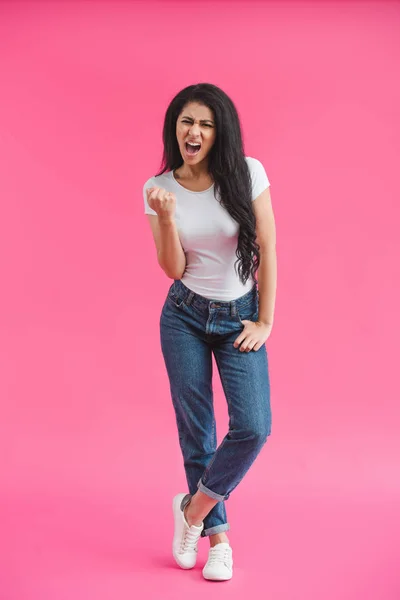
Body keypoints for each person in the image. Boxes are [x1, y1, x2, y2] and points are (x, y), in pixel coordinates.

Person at [142, 83, 277, 581]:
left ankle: (192, 512)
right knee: (197, 432)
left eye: (204, 123)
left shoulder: (247, 173)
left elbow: (269, 245)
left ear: (219, 132)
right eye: (185, 121)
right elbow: (173, 269)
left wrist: (264, 319)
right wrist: (166, 216)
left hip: (238, 313)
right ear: (173, 127)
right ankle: (219, 539)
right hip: (184, 316)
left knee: (254, 426)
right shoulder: (159, 188)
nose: (193, 131)